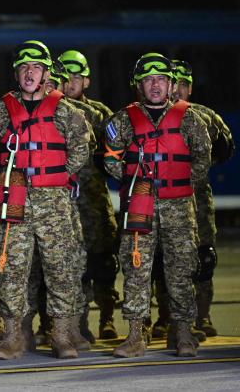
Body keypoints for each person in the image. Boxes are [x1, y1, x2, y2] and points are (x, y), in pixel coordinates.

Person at [0, 40, 90, 360]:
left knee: (60, 268)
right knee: (11, 268)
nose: (30, 73)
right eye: (24, 67)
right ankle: (14, 336)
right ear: (17, 73)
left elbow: (80, 151)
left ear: (46, 73)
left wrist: (51, 176)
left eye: (37, 67)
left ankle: (62, 334)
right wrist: (10, 172)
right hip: (14, 198)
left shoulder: (67, 112)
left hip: (53, 200)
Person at [104, 53, 210, 358]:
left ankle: (183, 333)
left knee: (180, 269)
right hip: (140, 202)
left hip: (178, 205)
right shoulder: (123, 119)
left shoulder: (190, 118)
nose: (155, 85)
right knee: (136, 268)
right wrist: (136, 177)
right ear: (139, 84)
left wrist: (176, 178)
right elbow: (110, 160)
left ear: (171, 84)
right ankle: (136, 334)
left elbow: (202, 159)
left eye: (161, 79)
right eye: (149, 79)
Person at [59, 49, 120, 341]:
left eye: (76, 76)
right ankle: (77, 324)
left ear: (87, 81)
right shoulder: (50, 111)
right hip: (63, 204)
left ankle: (107, 319)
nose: (70, 82)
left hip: (94, 202)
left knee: (104, 264)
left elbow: (116, 155)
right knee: (72, 268)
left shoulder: (101, 114)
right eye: (65, 76)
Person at [172, 59, 234, 337]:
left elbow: (225, 150)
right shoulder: (151, 116)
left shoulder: (206, 116)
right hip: (164, 203)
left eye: (183, 84)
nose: (177, 90)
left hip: (197, 201)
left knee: (203, 257)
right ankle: (166, 318)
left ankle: (203, 316)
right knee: (166, 261)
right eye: (173, 83)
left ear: (191, 87)